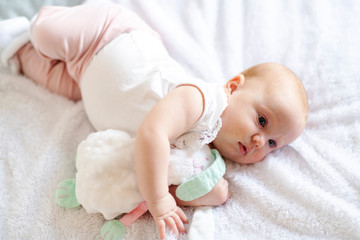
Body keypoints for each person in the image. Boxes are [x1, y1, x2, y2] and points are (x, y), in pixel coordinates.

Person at [1, 3, 308, 239]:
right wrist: (159, 199)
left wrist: (213, 192)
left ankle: (13, 39)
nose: (259, 141)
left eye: (272, 143)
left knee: (29, 63)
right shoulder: (203, 101)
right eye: (263, 120)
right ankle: (35, 24)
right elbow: (153, 134)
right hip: (110, 35)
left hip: (82, 81)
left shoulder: (201, 154)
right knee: (45, 33)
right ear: (232, 87)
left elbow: (174, 179)